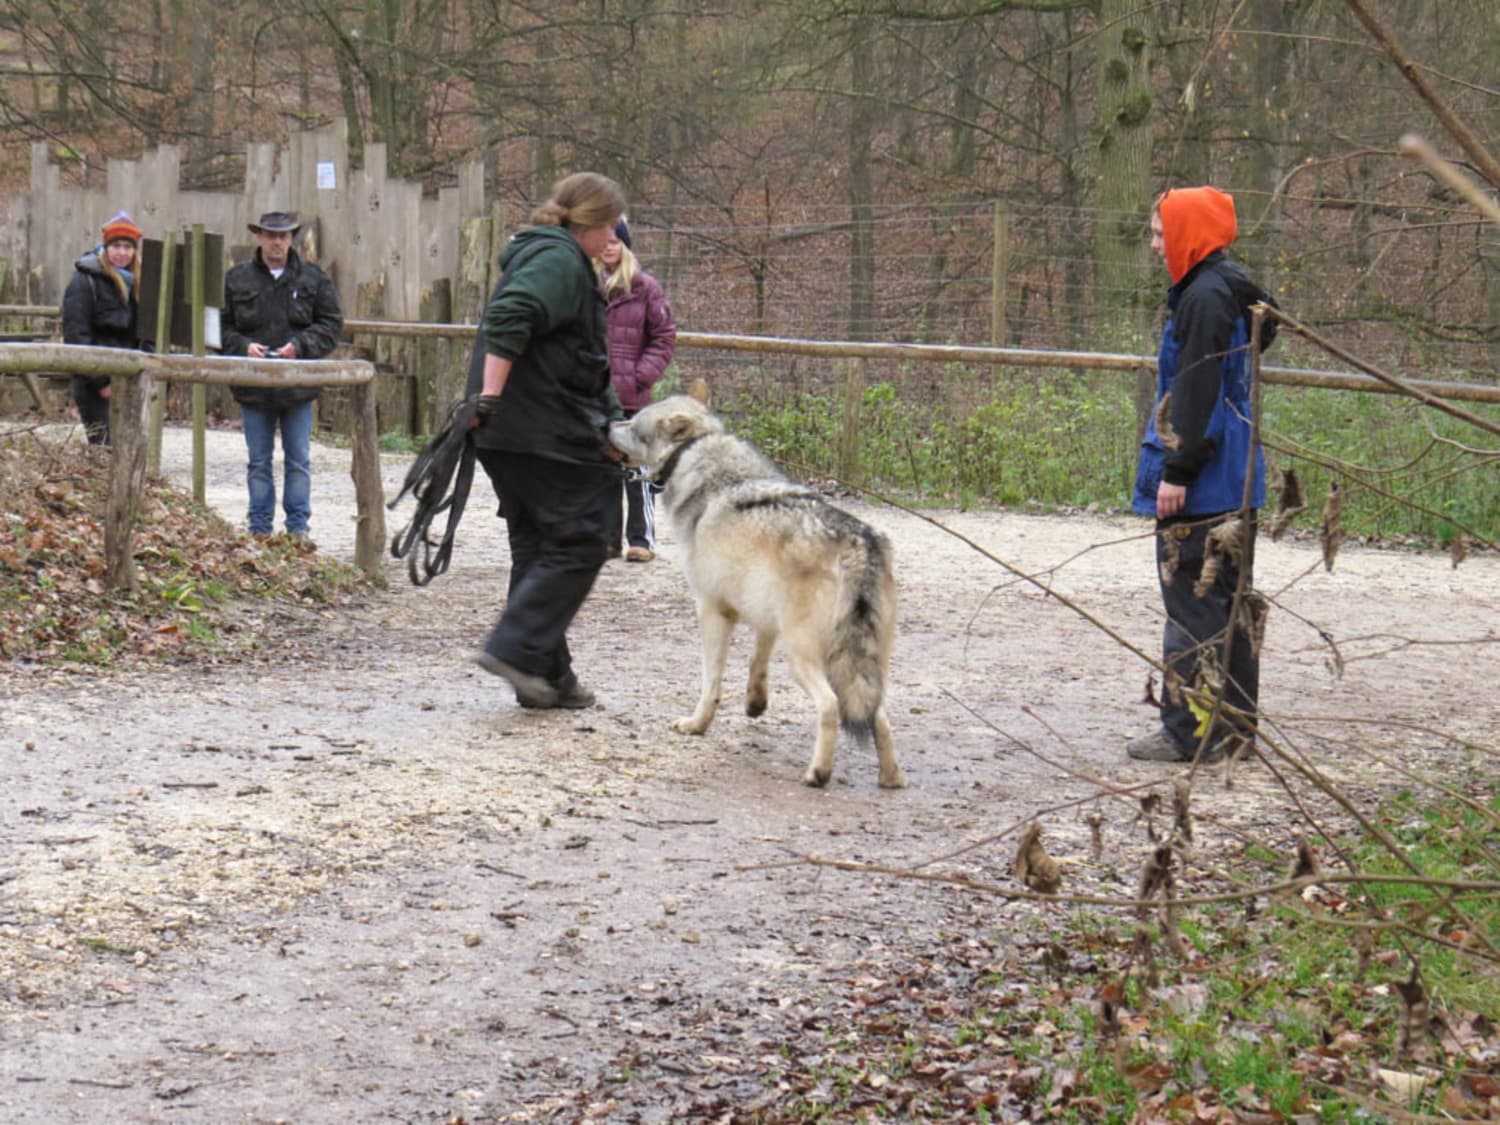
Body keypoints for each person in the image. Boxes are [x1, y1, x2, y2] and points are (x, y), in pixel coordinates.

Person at [465, 172, 629, 710]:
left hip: (509, 431)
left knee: (537, 548)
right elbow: (509, 316)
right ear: (593, 221)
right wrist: (490, 393)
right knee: (584, 538)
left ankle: (549, 679)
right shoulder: (558, 261)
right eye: (610, 224)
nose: (614, 236)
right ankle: (515, 649)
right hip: (539, 429)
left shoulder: (543, 254)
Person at [1127, 186, 1278, 764]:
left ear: (1189, 233)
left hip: (1206, 480)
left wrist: (1178, 468)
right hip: (1239, 474)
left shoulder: (1203, 299)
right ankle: (1234, 730)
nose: (1155, 243)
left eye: (1161, 232)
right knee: (1230, 604)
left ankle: (1188, 732)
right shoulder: (1233, 287)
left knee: (1193, 601)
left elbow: (1196, 387)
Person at [220, 210, 344, 540]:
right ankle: (259, 528)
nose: (277, 242)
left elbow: (331, 326)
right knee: (258, 461)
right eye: (271, 235)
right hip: (253, 386)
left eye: (284, 236)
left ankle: (297, 529)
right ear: (258, 237)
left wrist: (300, 346)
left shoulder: (315, 279)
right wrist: (243, 346)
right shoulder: (236, 279)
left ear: (292, 239)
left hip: (298, 386)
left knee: (299, 459)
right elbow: (218, 327)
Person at [598, 217, 677, 562]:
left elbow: (663, 337)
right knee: (598, 468)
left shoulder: (645, 288)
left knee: (636, 467)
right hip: (595, 392)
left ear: (625, 245)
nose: (609, 246)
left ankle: (641, 538)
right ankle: (605, 537)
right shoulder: (585, 286)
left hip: (632, 393)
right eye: (604, 240)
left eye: (616, 240)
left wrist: (641, 375)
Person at [61, 211, 145, 445]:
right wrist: (102, 382)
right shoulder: (84, 280)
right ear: (106, 247)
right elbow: (77, 336)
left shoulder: (140, 282)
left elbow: (147, 333)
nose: (121, 253)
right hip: (96, 383)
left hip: (131, 379)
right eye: (116, 246)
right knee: (105, 448)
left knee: (132, 447)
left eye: (127, 247)